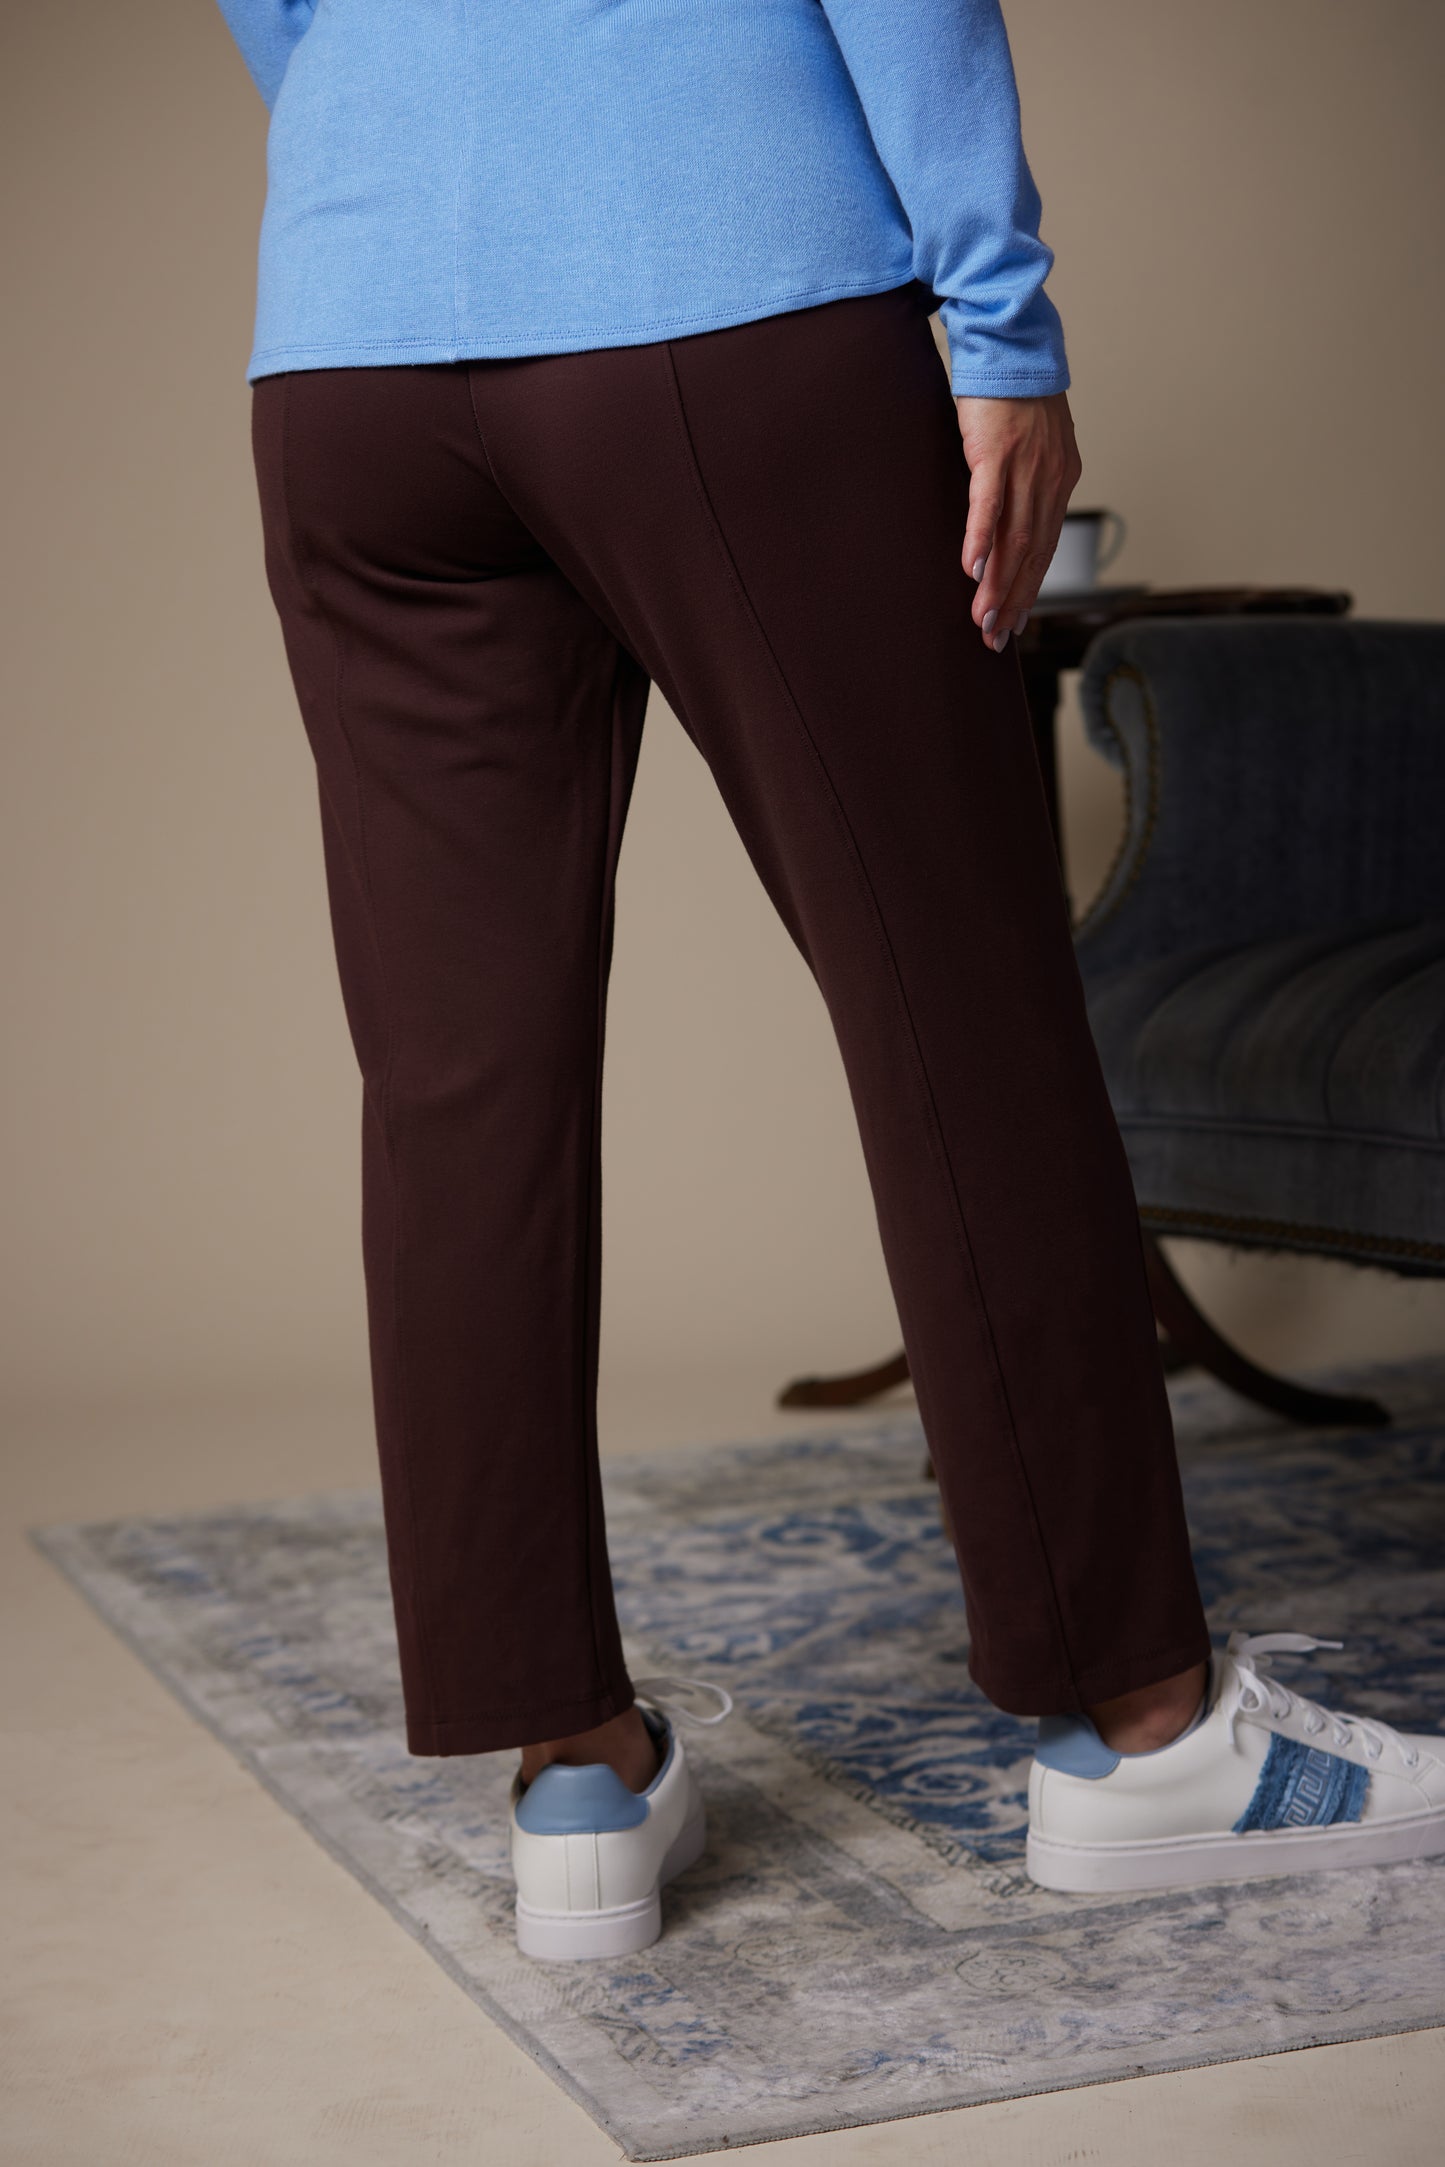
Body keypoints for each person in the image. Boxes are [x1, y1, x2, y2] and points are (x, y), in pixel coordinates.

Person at [215, 0, 1445, 1961]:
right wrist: (1002, 322)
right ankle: (1147, 1735)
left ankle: (575, 1778)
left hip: (351, 349)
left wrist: (409, 136)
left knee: (460, 1085)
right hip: (723, 283)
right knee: (961, 1011)